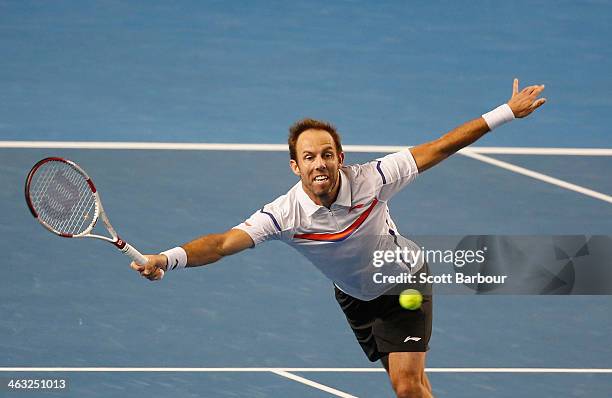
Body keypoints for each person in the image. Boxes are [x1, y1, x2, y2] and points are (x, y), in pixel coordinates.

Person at [131, 78, 546, 398]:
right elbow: (221, 244)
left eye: (327, 153)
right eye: (309, 157)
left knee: (405, 386)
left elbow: (440, 147)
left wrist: (505, 112)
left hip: (404, 284)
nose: (320, 163)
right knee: (413, 385)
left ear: (340, 158)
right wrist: (167, 259)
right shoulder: (284, 214)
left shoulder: (374, 178)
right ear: (295, 166)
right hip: (354, 298)